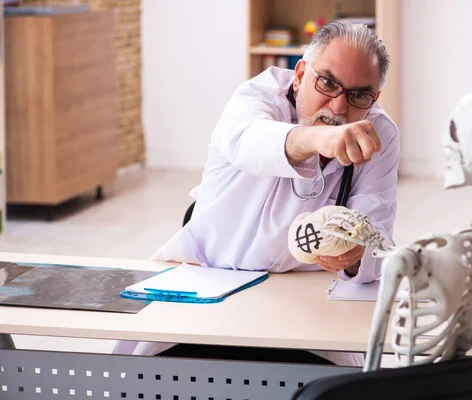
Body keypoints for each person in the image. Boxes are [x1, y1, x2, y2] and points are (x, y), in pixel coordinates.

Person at [114, 21, 400, 366]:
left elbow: (377, 233)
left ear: (375, 98)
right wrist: (319, 139)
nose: (338, 108)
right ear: (299, 74)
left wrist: (355, 256)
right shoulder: (256, 98)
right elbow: (248, 143)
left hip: (307, 312)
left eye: (358, 95)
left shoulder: (380, 135)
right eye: (327, 83)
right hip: (209, 292)